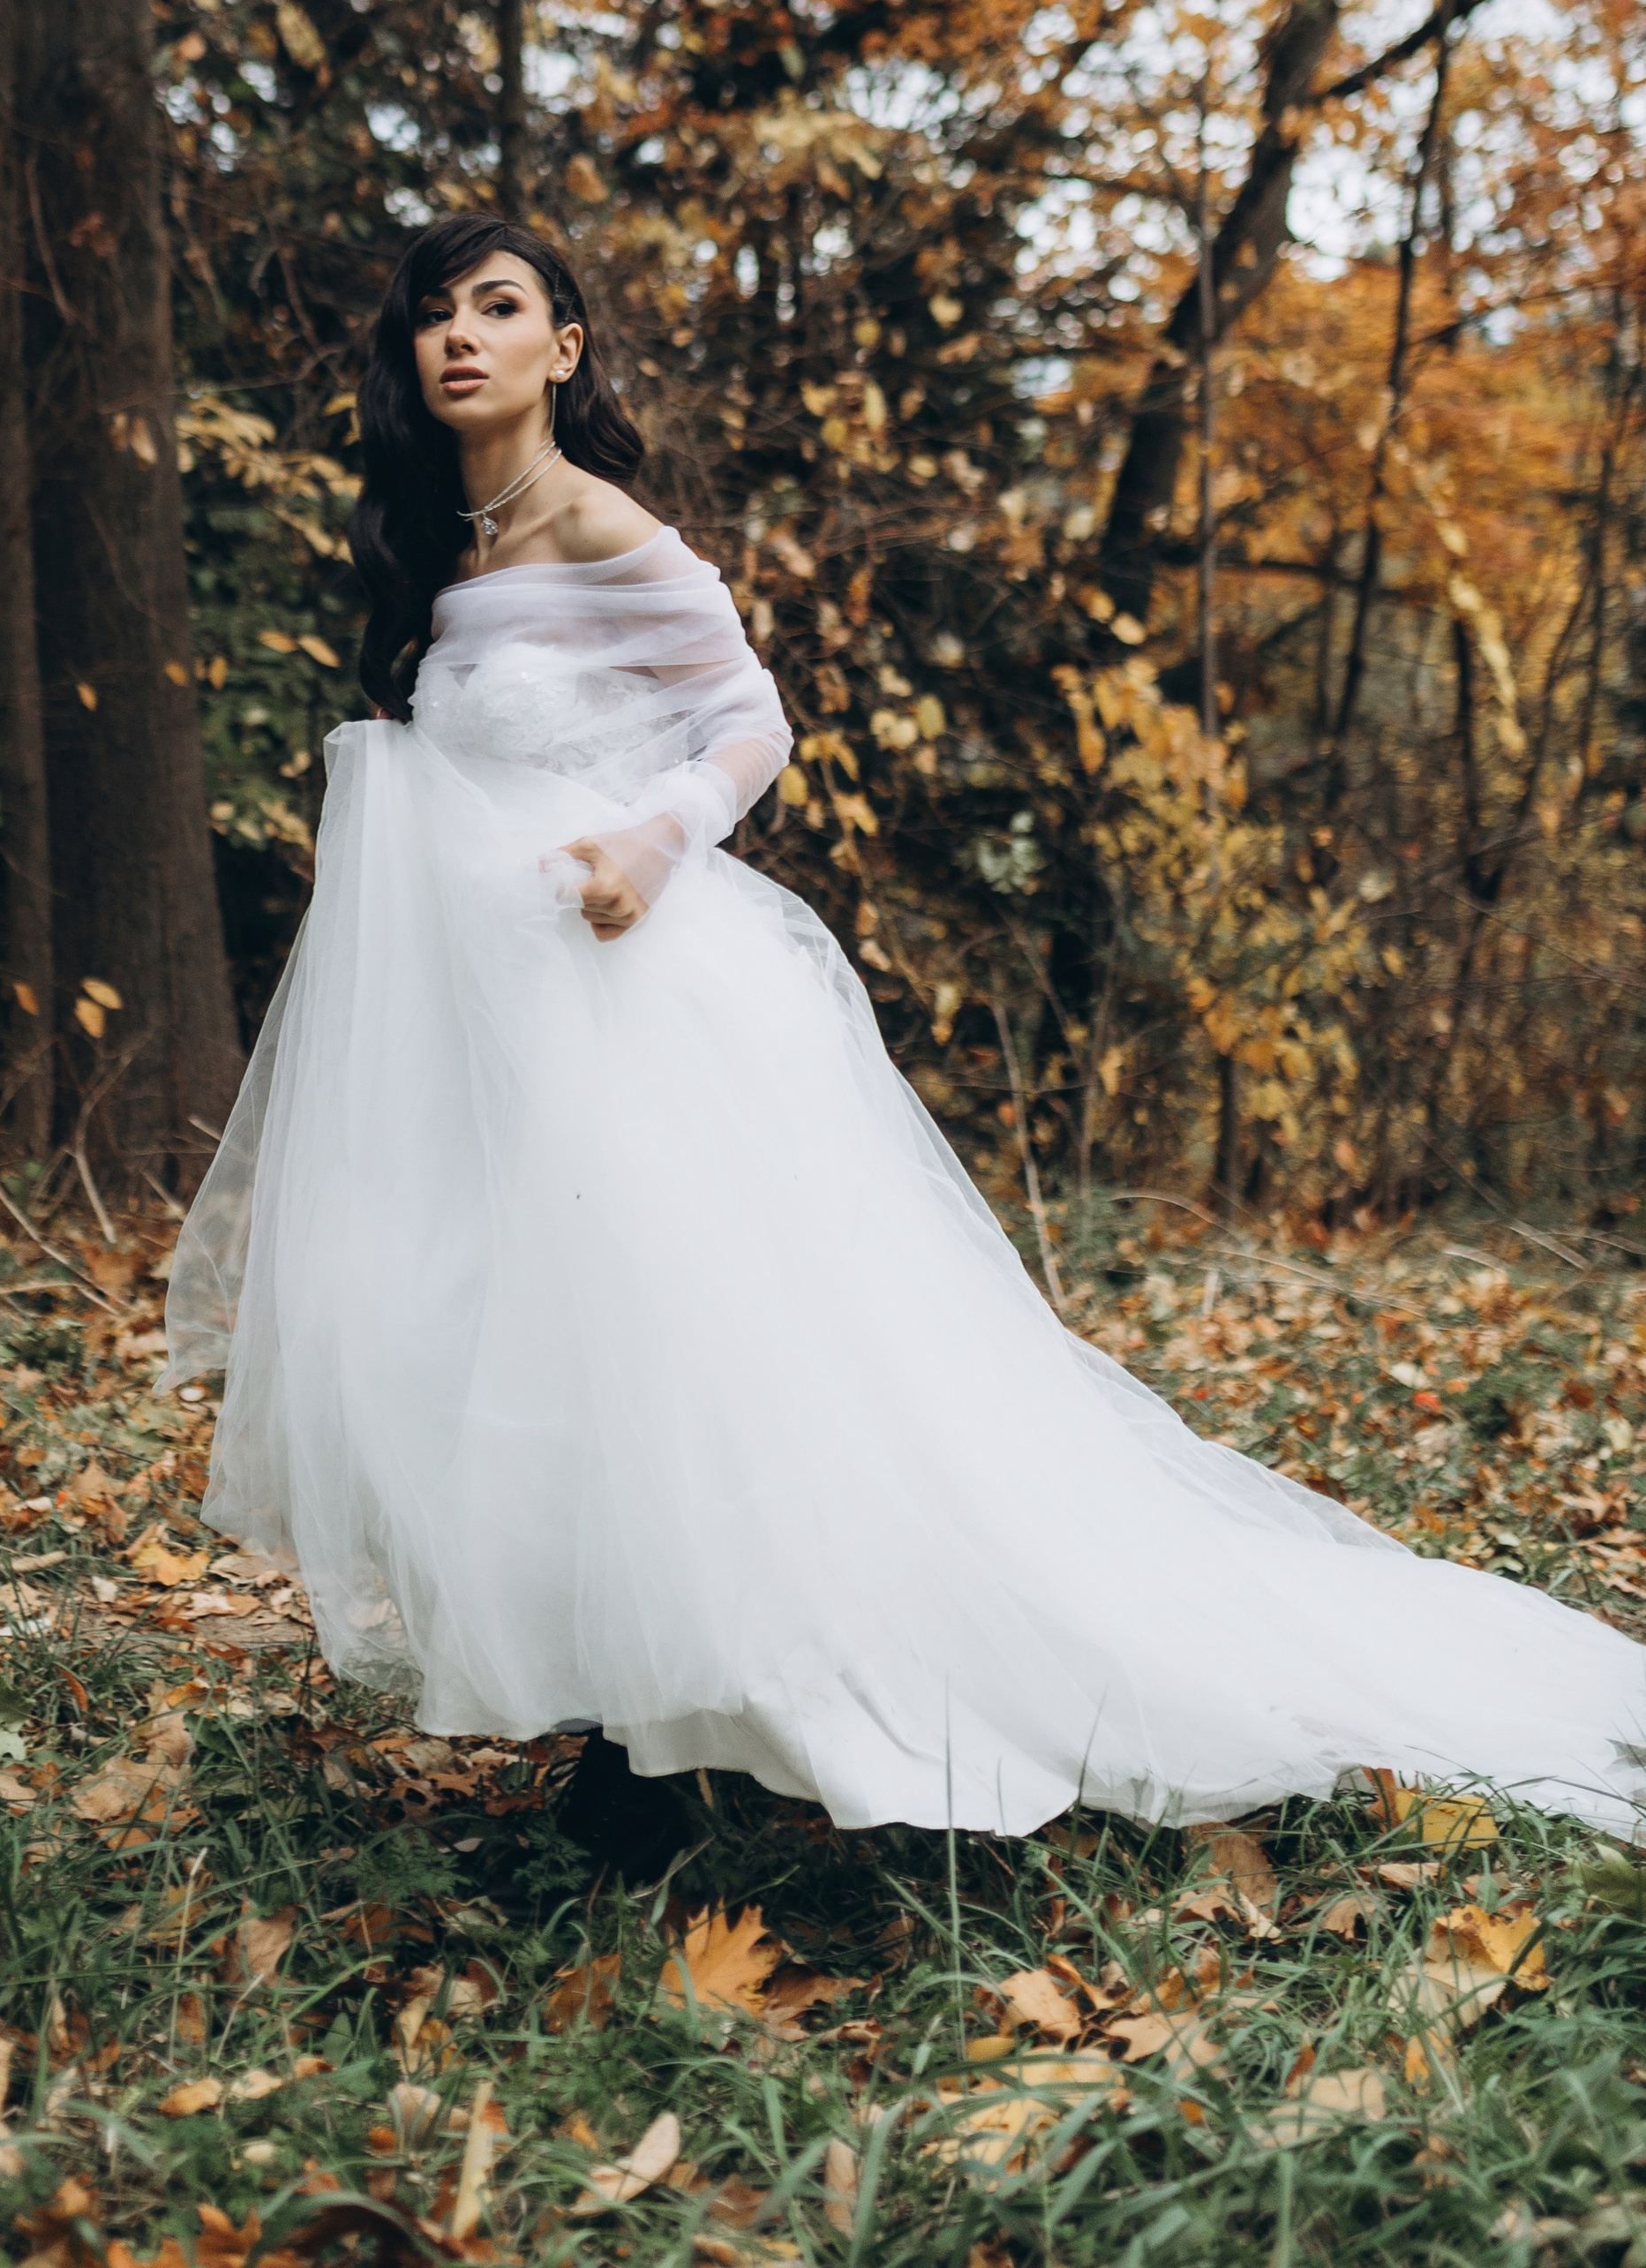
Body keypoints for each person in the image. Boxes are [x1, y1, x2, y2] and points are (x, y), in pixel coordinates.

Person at [166, 210, 1646, 1865]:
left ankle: (683, 1741)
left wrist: (653, 840)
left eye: (500, 309)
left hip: (622, 1006)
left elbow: (750, 720)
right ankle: (634, 1702)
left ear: (562, 349)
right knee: (522, 1347)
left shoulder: (597, 522)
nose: (462, 338)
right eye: (435, 314)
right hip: (500, 1028)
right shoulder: (457, 538)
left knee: (676, 1351)